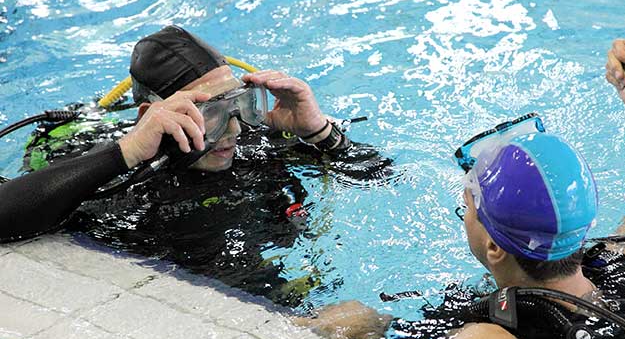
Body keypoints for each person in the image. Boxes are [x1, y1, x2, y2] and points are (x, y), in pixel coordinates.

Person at [297, 23, 625, 339]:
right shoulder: (621, 267)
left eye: (468, 207)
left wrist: (362, 334)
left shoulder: (507, 338)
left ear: (493, 246)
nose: (464, 210)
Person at [0, 26, 391, 305]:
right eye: (208, 113)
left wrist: (319, 131)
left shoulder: (254, 140)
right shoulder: (121, 180)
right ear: (152, 117)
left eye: (239, 104)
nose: (233, 129)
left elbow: (381, 177)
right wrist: (127, 153)